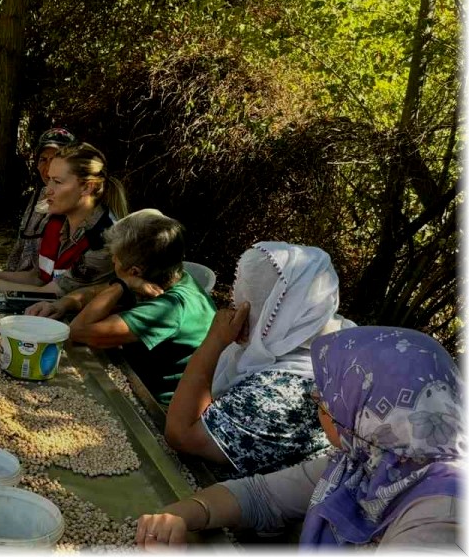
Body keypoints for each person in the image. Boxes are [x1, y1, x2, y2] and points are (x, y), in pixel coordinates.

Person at [136, 326, 460, 550]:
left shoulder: (443, 515)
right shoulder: (363, 462)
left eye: (330, 398)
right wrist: (183, 514)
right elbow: (261, 495)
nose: (319, 400)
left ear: (368, 413)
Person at [165, 243, 353, 477]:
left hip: (222, 498)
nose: (238, 307)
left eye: (252, 300)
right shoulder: (324, 332)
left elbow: (181, 435)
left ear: (281, 309)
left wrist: (213, 342)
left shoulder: (279, 394)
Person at [67, 209, 216, 404]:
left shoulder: (168, 309)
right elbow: (102, 292)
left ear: (135, 271)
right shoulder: (175, 276)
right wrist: (67, 302)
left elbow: (77, 330)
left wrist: (122, 285)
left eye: (115, 258)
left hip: (158, 406)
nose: (112, 260)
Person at [0, 143, 127, 302]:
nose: (48, 190)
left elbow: (51, 293)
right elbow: (39, 277)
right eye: (49, 179)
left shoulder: (104, 239)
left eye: (57, 182)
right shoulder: (56, 223)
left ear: (87, 187)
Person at [4, 127, 79, 272]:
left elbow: (45, 279)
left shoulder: (76, 207)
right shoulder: (39, 194)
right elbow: (20, 247)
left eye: (56, 159)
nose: (48, 167)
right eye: (43, 159)